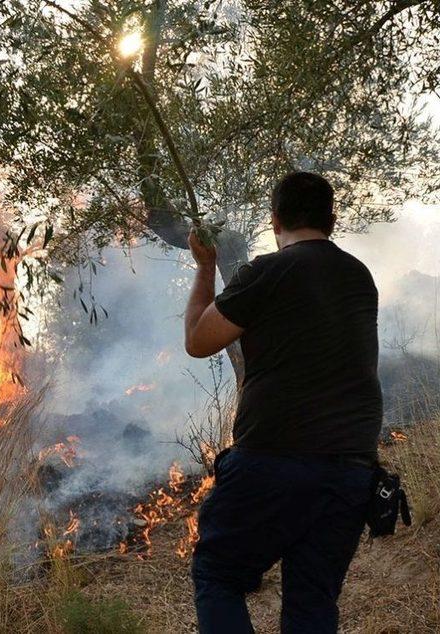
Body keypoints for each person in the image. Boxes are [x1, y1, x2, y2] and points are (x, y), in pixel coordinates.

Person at [184, 171, 383, 633]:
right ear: (332, 219)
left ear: (275, 220)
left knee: (219, 573)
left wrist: (205, 267)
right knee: (312, 602)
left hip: (274, 461)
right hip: (352, 471)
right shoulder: (360, 277)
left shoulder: (269, 270)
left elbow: (198, 340)